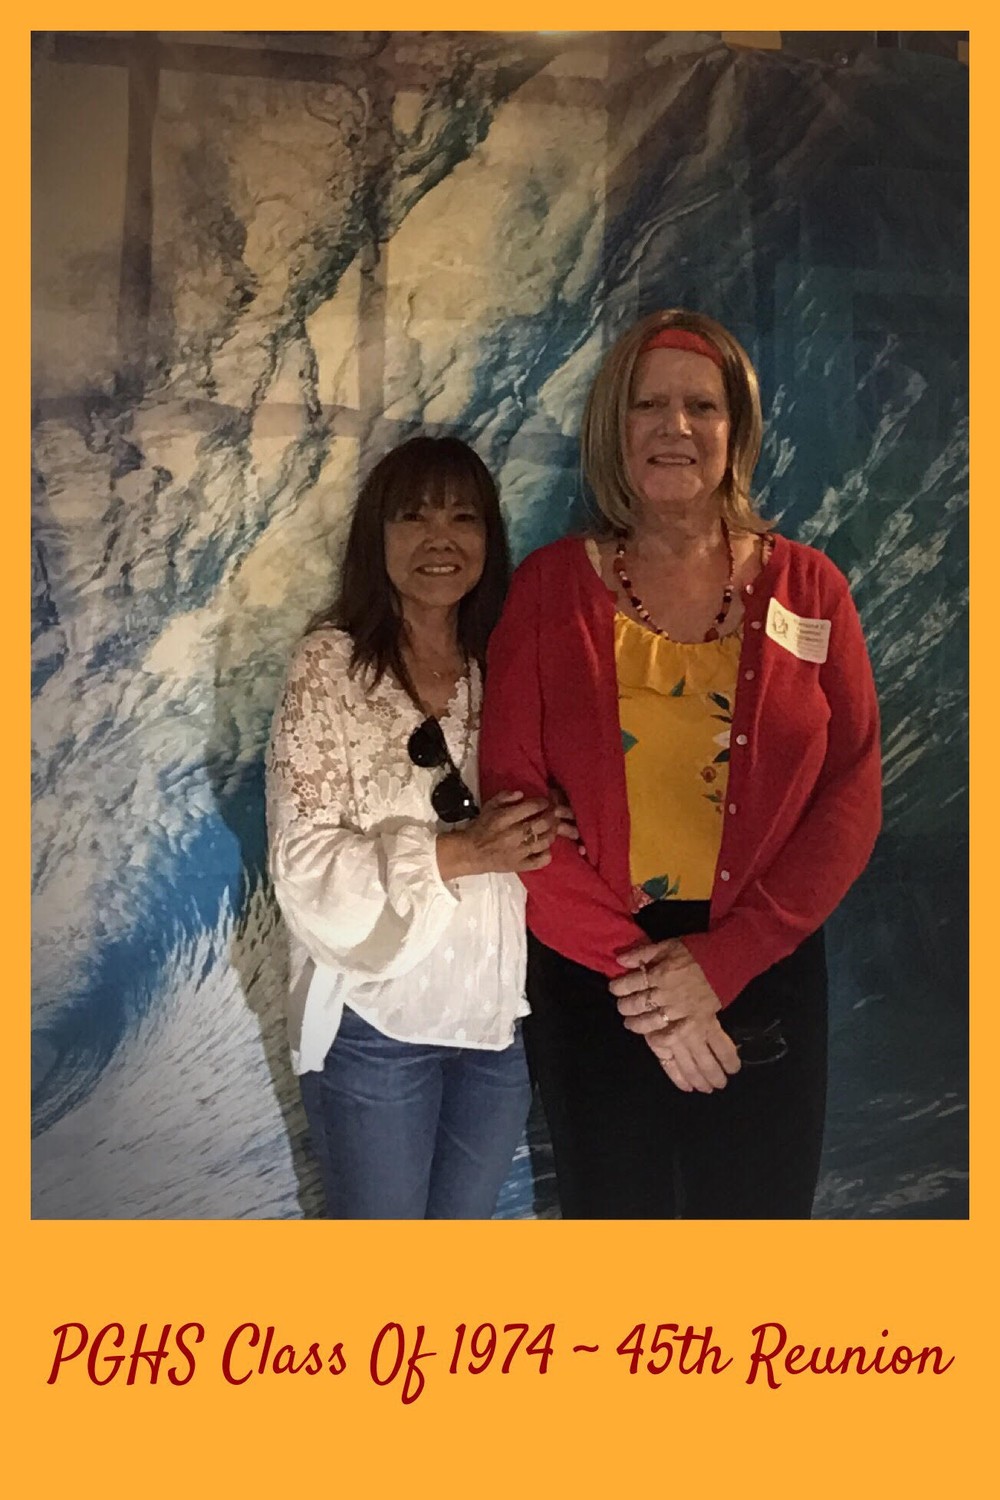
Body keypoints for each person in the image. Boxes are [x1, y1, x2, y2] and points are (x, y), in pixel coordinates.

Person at [479, 309, 882, 1220]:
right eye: (648, 405)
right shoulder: (547, 589)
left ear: (736, 429)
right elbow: (512, 799)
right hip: (600, 980)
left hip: (765, 964)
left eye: (703, 406)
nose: (676, 427)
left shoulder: (811, 587)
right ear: (612, 428)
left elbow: (851, 794)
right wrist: (653, 987)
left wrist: (723, 963)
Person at [266, 435, 566, 1219]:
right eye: (413, 517)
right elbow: (301, 863)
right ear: (377, 535)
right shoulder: (330, 667)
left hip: (496, 1025)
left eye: (464, 518)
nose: (441, 539)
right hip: (375, 1022)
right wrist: (461, 852)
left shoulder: (506, 665)